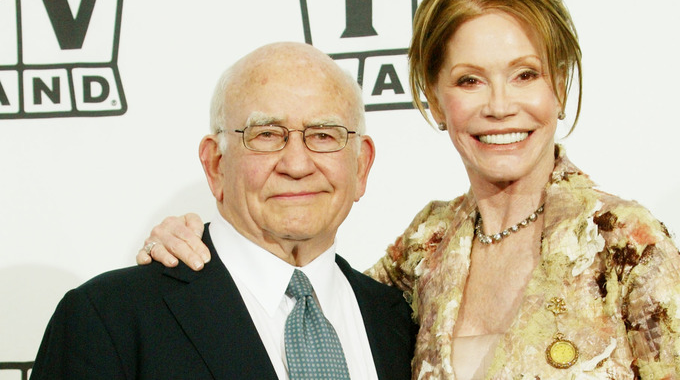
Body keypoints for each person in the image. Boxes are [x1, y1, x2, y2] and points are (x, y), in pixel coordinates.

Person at [138, 0, 680, 379]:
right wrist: (198, 249)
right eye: (469, 80)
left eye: (525, 74)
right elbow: (304, 290)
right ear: (437, 99)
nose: (499, 105)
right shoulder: (427, 247)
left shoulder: (626, 244)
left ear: (558, 88)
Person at [31, 42, 417, 380]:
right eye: (266, 134)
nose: (297, 164)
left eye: (323, 135)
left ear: (361, 166)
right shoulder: (109, 319)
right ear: (216, 164)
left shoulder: (400, 320)